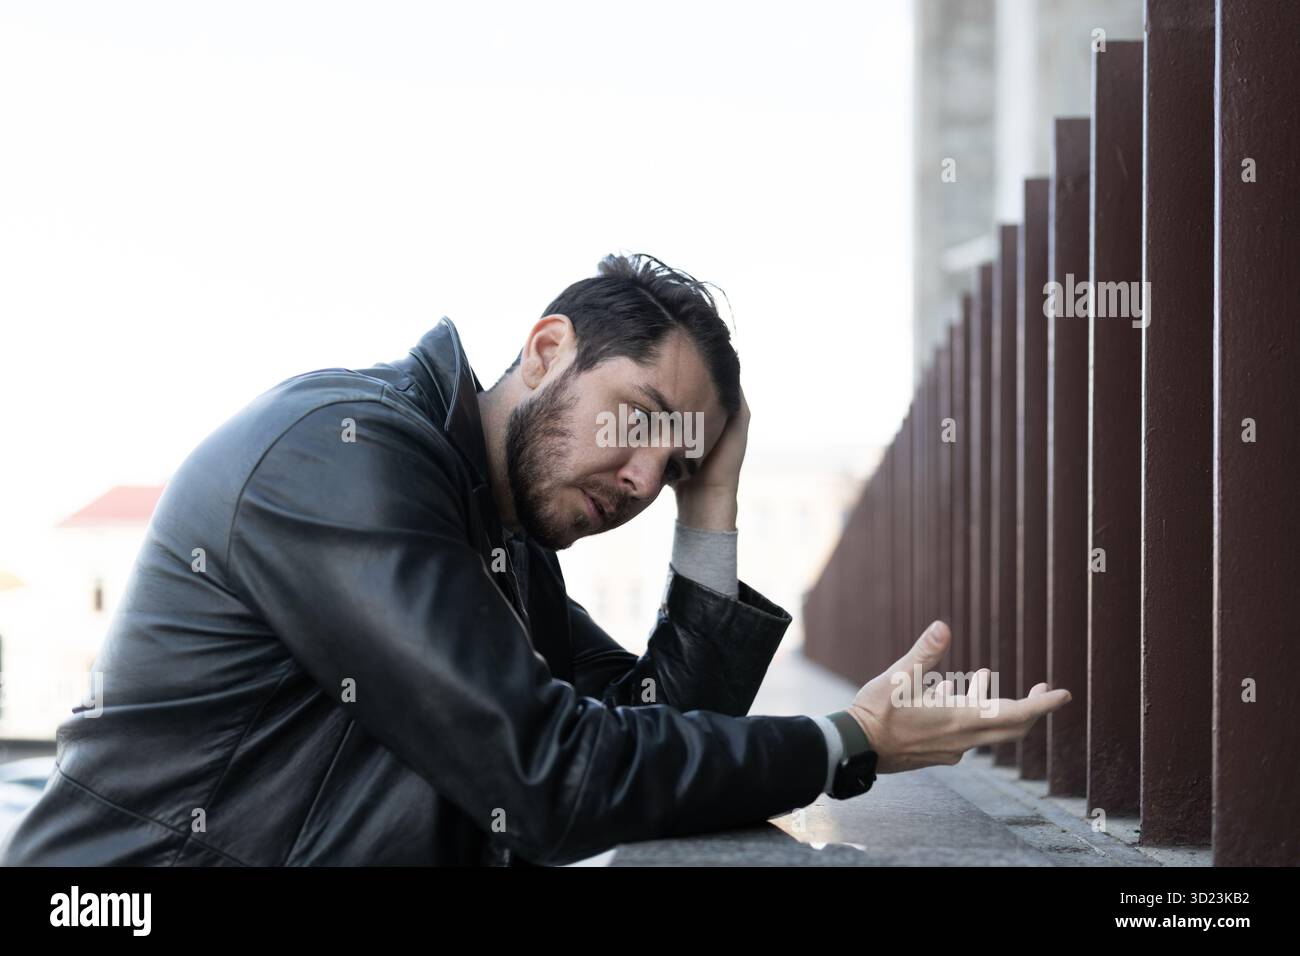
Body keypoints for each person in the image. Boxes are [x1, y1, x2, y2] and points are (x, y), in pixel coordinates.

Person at [0, 253, 1070, 866]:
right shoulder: (347, 459)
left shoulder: (500, 536)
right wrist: (845, 737)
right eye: (641, 421)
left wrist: (712, 500)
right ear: (549, 347)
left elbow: (646, 734)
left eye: (677, 466)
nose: (643, 481)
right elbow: (553, 772)